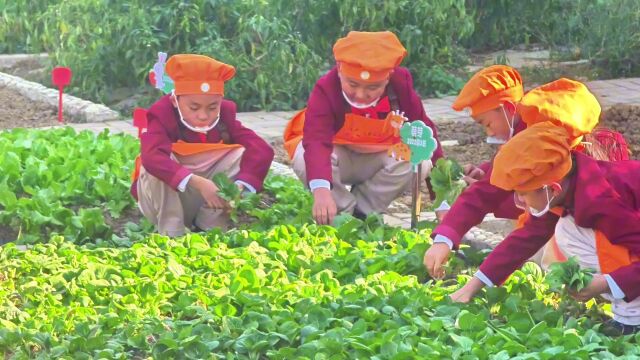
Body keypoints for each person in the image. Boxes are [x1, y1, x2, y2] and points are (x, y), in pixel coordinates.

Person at [424, 77, 629, 278]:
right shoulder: (558, 145)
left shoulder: (538, 143)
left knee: (559, 243)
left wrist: (612, 286)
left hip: (614, 267)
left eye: (487, 123)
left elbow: (527, 224)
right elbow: (498, 195)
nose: (489, 132)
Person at [450, 122, 640, 335]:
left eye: (523, 193)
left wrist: (607, 283)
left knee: (572, 232)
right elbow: (523, 241)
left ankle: (633, 318)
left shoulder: (602, 201)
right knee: (568, 230)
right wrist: (472, 286)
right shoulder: (571, 184)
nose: (519, 200)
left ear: (552, 188)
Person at [283, 30, 443, 225]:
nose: (360, 94)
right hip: (337, 158)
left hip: (377, 157)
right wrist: (322, 192)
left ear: (388, 77)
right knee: (303, 157)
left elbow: (425, 137)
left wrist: (442, 201)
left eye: (372, 87)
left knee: (419, 162)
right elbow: (316, 140)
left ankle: (363, 213)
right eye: (352, 84)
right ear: (340, 70)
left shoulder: (400, 85)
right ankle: (340, 212)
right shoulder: (326, 88)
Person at [131, 54, 274, 236]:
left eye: (212, 107)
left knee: (241, 153)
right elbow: (152, 157)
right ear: (176, 100)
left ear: (220, 103)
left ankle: (209, 228)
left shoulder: (225, 116)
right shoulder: (161, 114)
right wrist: (198, 182)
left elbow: (262, 150)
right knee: (153, 164)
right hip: (166, 200)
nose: (203, 116)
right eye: (194, 108)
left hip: (208, 199)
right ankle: (171, 233)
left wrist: (238, 188)